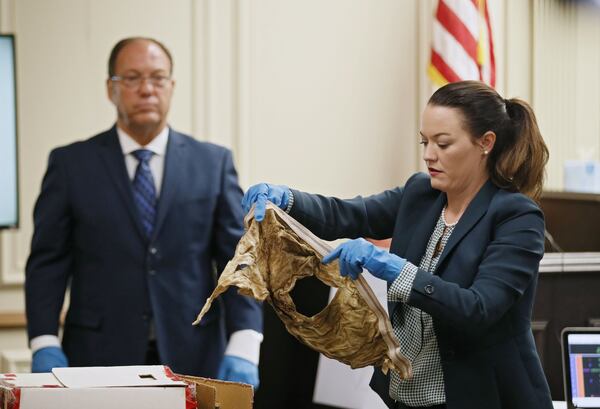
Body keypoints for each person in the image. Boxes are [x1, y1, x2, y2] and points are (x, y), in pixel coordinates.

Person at [242, 80, 553, 408]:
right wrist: (287, 199)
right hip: (408, 399)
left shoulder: (517, 217)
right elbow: (349, 214)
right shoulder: (421, 194)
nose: (428, 155)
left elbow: (478, 309)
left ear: (485, 143)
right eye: (425, 141)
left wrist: (398, 271)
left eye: (443, 144)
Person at [25, 37, 262, 388]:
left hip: (194, 353)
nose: (147, 89)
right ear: (111, 89)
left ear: (172, 86)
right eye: (132, 78)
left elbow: (238, 257)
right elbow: (48, 261)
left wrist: (245, 340)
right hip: (95, 357)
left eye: (158, 78)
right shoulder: (70, 165)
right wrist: (43, 340)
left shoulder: (213, 163)